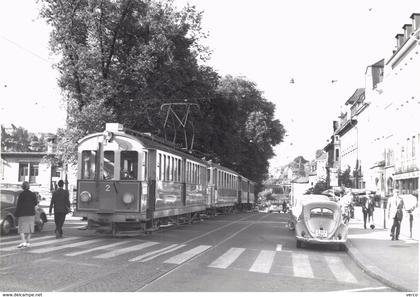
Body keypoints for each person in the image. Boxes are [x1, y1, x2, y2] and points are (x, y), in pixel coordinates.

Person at [14, 181, 38, 248]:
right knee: (30, 229)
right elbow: (36, 203)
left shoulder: (21, 194)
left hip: (23, 214)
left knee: (21, 229)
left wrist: (16, 213)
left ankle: (23, 241)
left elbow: (19, 205)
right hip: (31, 213)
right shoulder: (33, 194)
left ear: (23, 186)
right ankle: (28, 242)